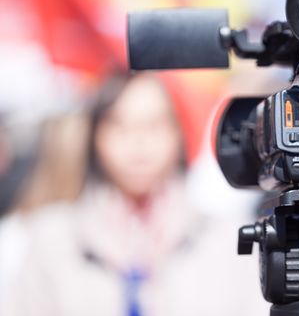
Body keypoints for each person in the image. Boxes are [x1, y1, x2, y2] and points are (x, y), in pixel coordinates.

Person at [1, 72, 267, 316]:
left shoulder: (227, 240)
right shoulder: (54, 238)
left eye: (154, 125)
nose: (139, 142)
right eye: (121, 126)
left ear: (178, 134)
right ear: (96, 137)